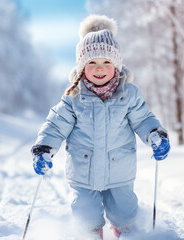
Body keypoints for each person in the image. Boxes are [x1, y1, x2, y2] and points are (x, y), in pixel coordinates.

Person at [30, 15, 170, 239]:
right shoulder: (73, 98)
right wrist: (44, 148)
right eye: (92, 63)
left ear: (116, 64)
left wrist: (155, 134)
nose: (99, 68)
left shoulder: (129, 94)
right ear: (82, 66)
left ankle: (126, 235)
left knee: (125, 213)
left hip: (120, 172)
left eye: (106, 62)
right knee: (86, 216)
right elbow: (56, 126)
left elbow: (143, 119)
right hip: (83, 174)